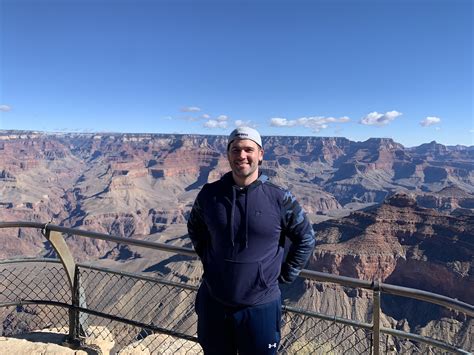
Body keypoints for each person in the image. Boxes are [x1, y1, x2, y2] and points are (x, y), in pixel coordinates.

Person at [187, 127, 315, 355]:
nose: (242, 155)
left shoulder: (280, 197)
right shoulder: (210, 194)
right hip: (214, 302)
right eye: (236, 149)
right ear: (228, 154)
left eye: (248, 149)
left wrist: (286, 274)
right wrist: (209, 259)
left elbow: (306, 238)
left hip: (260, 306)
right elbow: (195, 227)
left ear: (261, 154)